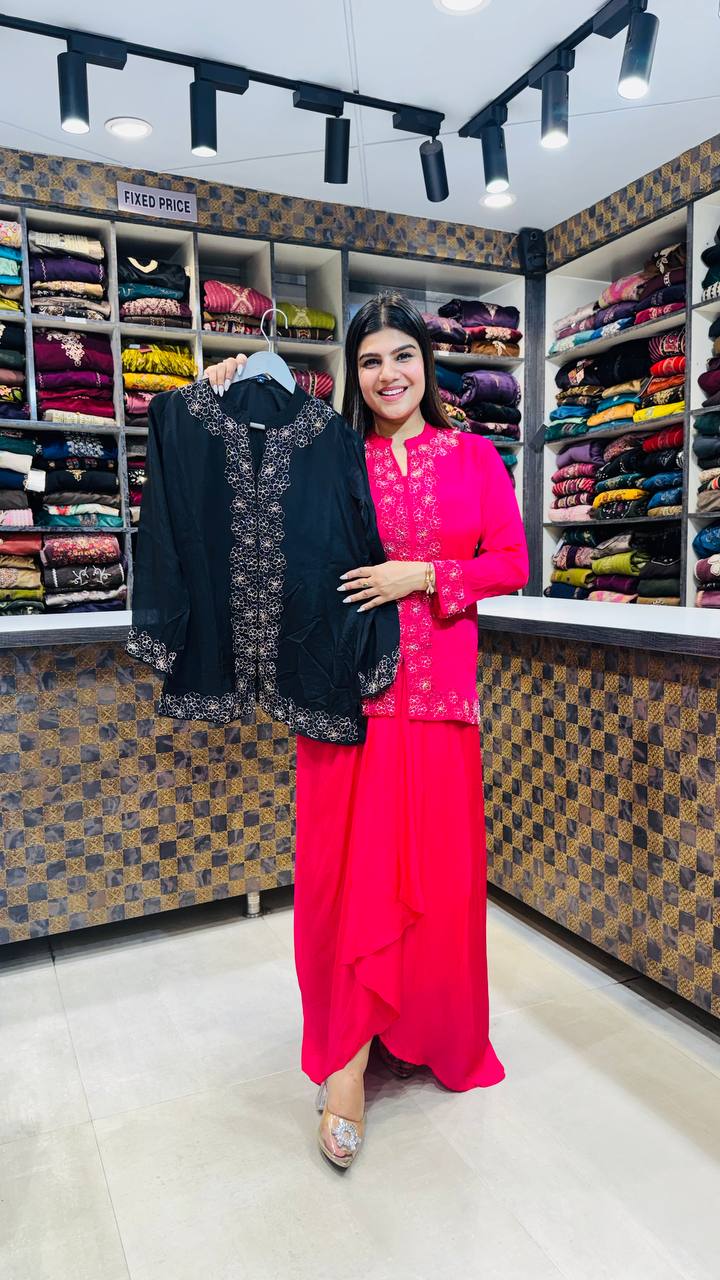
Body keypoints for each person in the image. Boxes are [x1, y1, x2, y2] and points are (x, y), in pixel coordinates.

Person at [204, 293, 529, 1169]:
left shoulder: (474, 457)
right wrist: (219, 389)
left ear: (428, 362)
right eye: (371, 360)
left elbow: (511, 560)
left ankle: (426, 1029)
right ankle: (345, 1061)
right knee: (349, 882)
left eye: (403, 356)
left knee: (436, 878)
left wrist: (422, 574)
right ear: (353, 374)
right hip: (349, 704)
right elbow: (244, 487)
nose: (389, 375)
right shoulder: (329, 455)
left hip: (440, 702)